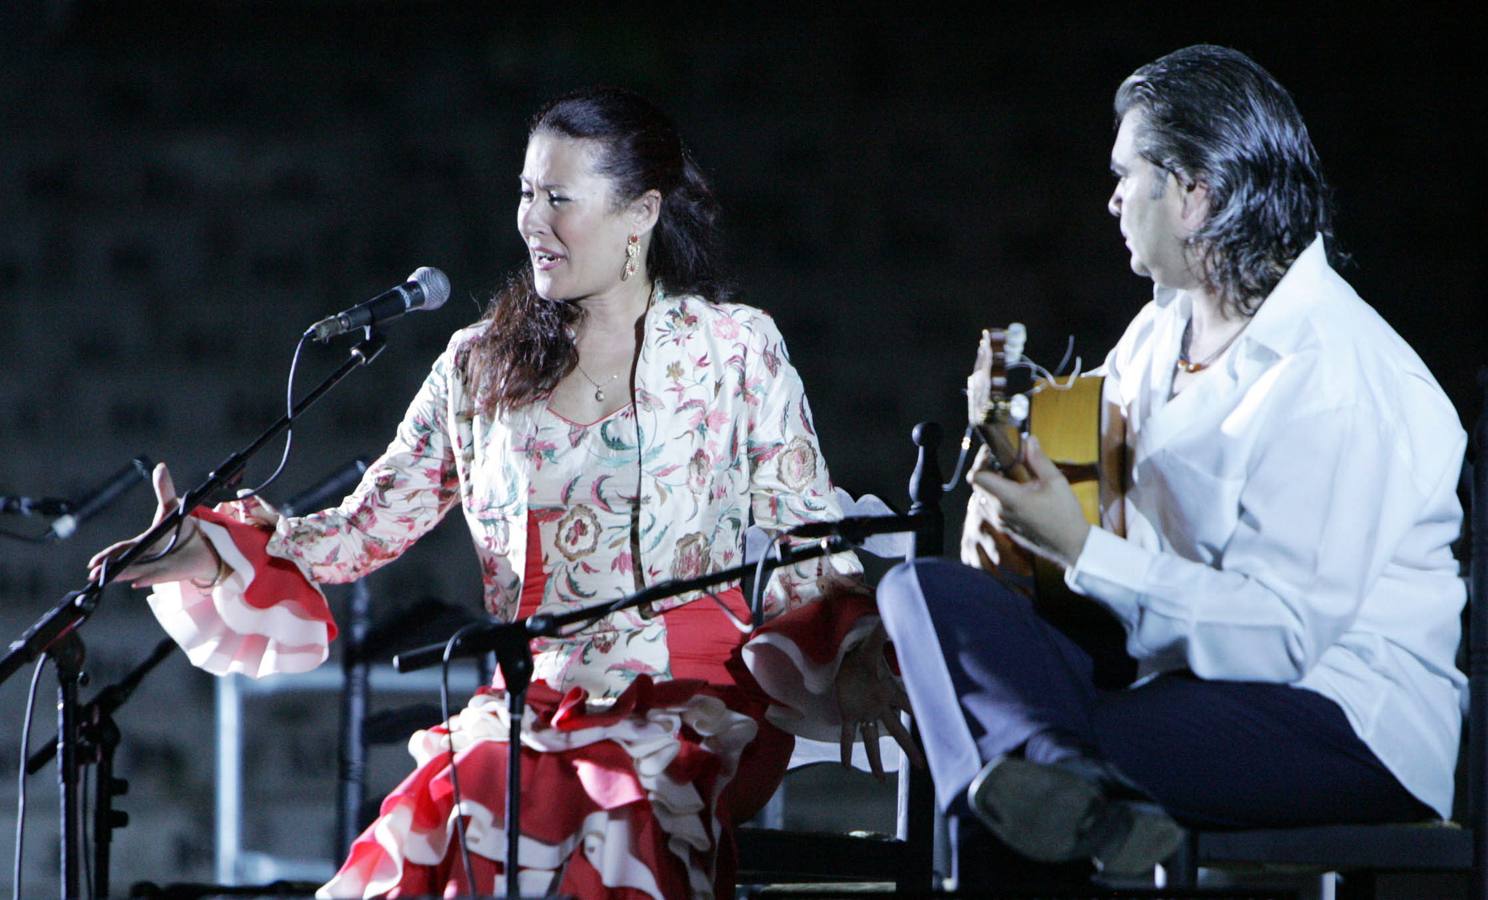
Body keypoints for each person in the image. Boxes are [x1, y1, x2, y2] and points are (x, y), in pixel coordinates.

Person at [91, 87, 912, 899]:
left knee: (611, 802)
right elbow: (366, 527)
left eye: (560, 197)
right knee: (457, 795)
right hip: (536, 693)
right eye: (526, 193)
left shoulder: (733, 349)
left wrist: (858, 653)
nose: (532, 220)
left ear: (642, 213)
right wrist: (206, 548)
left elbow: (808, 537)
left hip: (698, 694)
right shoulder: (479, 364)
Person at [877, 44, 1467, 881]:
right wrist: (1018, 512)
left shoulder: (1340, 375)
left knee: (1002, 772)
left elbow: (1283, 639)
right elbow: (1099, 490)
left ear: (1195, 193)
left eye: (1129, 174)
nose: (1113, 197)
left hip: (1337, 716)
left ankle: (1057, 776)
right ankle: (1063, 775)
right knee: (920, 589)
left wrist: (1078, 549)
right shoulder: (1163, 329)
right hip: (1173, 676)